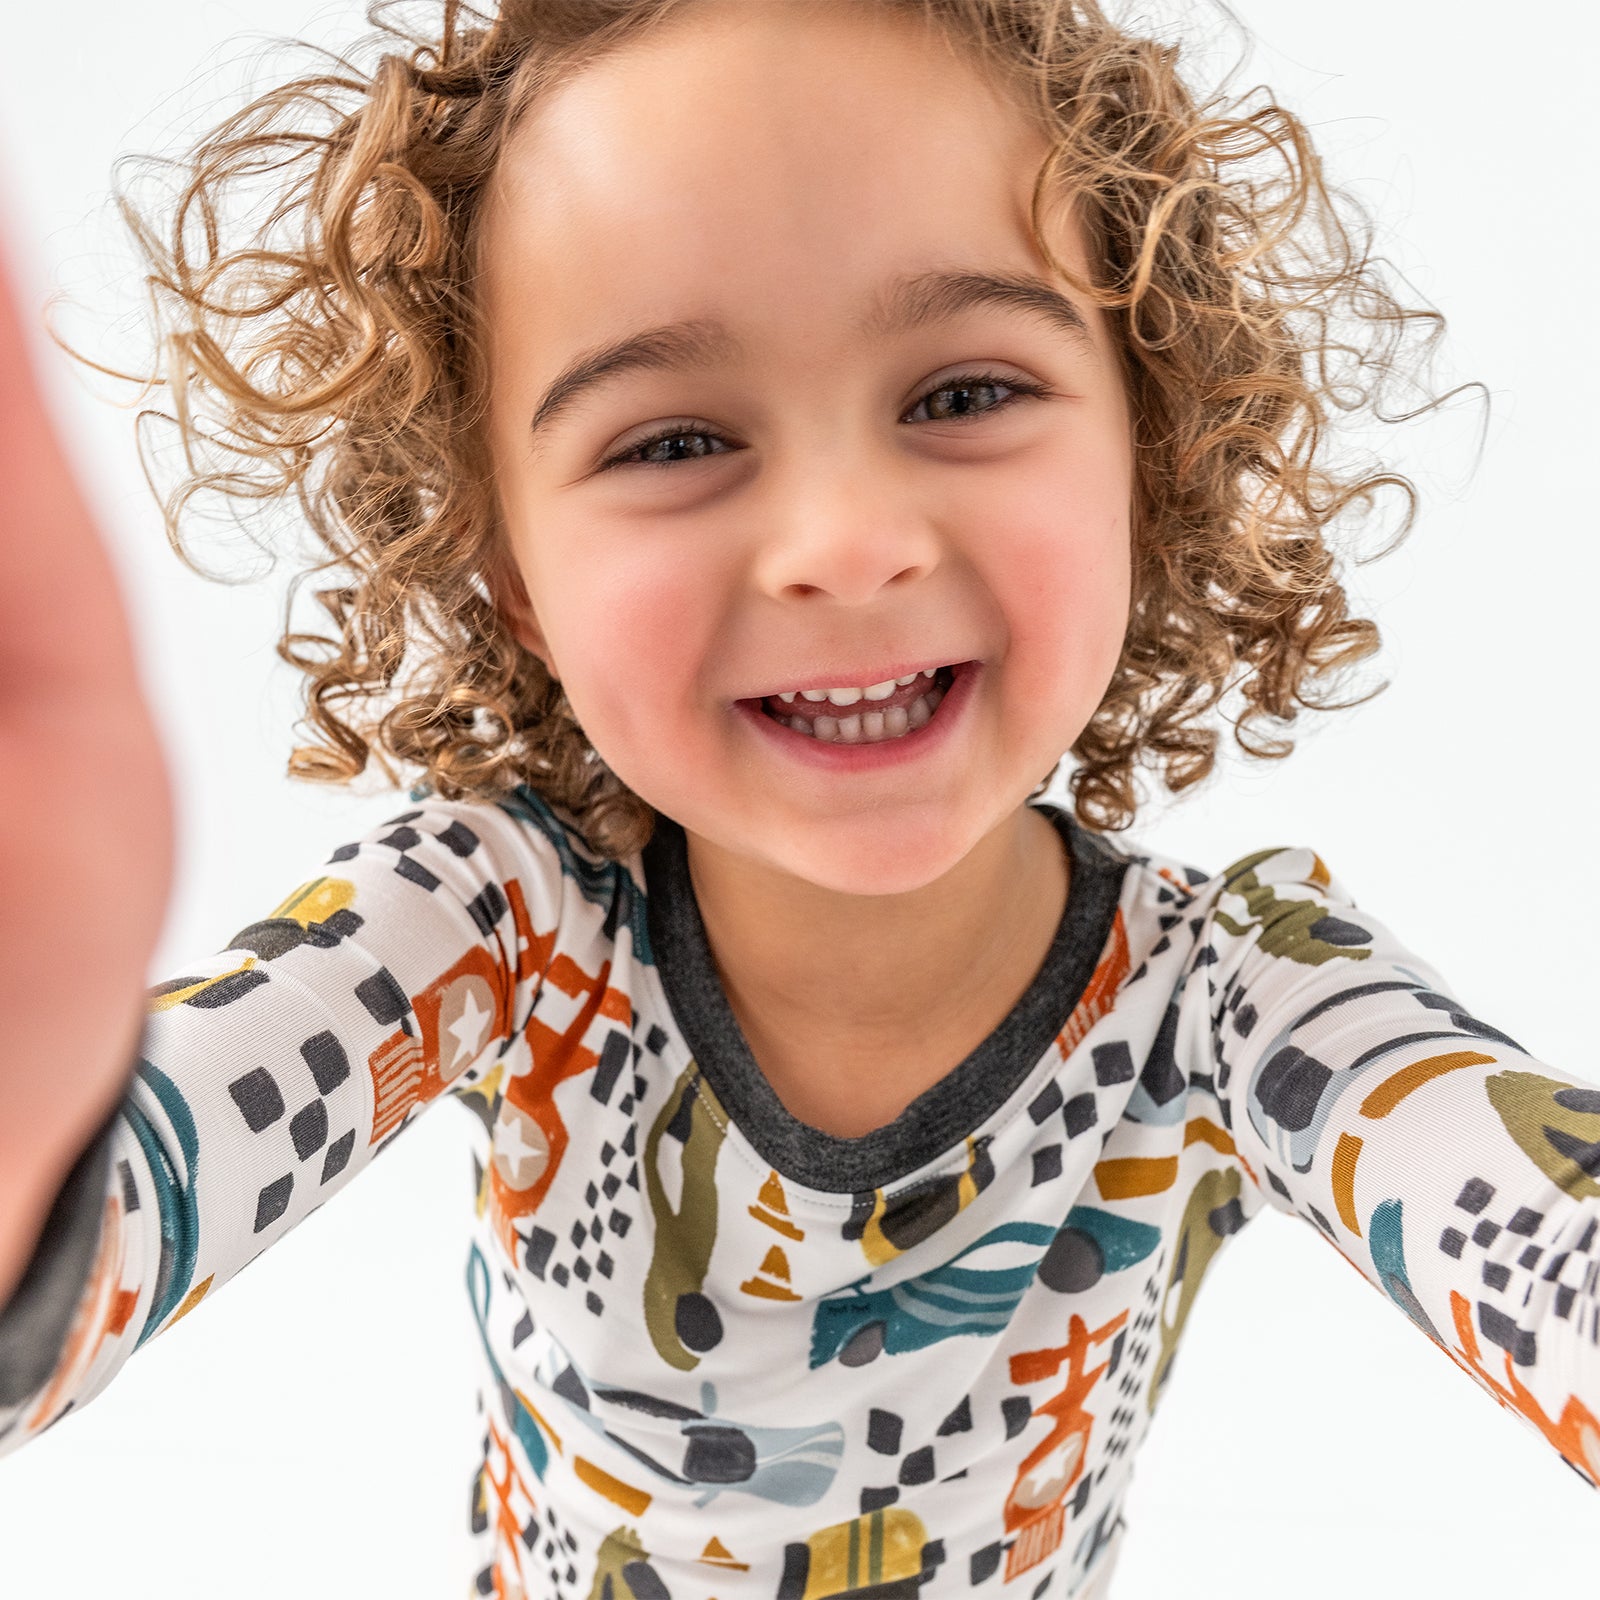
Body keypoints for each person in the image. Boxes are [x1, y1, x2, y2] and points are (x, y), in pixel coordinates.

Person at [0, 1, 1593, 1595]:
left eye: (963, 394)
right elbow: (107, 1230)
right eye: (677, 438)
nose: (845, 538)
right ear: (514, 583)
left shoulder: (1235, 1001)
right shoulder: (487, 924)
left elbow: (1532, 1234)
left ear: (1147, 444)